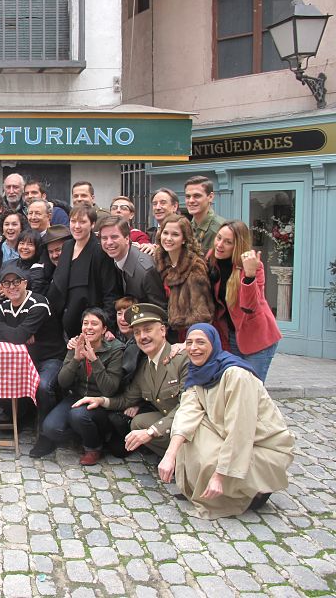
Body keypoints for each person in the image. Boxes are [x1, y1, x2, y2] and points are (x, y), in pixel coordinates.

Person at [158, 323, 294, 519]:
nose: (194, 348)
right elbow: (187, 413)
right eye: (189, 342)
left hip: (260, 444)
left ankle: (250, 493)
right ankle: (201, 490)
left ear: (214, 344)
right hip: (223, 429)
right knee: (186, 435)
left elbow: (241, 429)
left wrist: (219, 475)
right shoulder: (198, 371)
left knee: (211, 459)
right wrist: (170, 455)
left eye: (201, 342)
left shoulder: (236, 375)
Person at [72, 303, 189, 458]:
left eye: (148, 330)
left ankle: (180, 458)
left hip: (191, 424)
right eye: (137, 332)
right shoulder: (145, 366)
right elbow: (127, 399)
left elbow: (187, 408)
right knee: (138, 423)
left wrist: (152, 431)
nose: (143, 336)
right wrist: (101, 400)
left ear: (162, 330)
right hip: (169, 419)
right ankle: (176, 457)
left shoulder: (182, 359)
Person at [0, 262, 66, 458]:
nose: (12, 287)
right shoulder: (4, 307)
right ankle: (19, 417)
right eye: (6, 283)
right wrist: (12, 331)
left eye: (16, 282)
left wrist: (4, 328)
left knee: (42, 386)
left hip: (49, 358)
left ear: (25, 283)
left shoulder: (39, 304)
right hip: (23, 360)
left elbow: (17, 336)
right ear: (1, 288)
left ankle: (46, 436)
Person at [42, 308, 124, 464]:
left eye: (94, 324)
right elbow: (63, 382)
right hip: (78, 396)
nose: (89, 327)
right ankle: (87, 435)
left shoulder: (115, 350)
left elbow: (110, 389)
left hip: (101, 401)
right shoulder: (76, 344)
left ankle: (93, 447)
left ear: (104, 329)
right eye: (85, 323)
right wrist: (76, 359)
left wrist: (94, 360)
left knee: (78, 415)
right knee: (51, 428)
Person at [208, 220, 281, 382]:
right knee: (234, 386)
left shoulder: (254, 266)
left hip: (257, 338)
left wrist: (249, 276)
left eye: (228, 242)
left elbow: (250, 306)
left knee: (251, 389)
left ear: (238, 246)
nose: (220, 245)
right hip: (231, 336)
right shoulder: (212, 260)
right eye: (218, 238)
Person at [48, 205, 119, 340]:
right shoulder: (67, 246)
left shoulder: (99, 251)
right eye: (73, 221)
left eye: (82, 222)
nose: (77, 226)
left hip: (89, 326)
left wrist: (108, 326)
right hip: (62, 323)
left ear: (92, 224)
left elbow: (110, 292)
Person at [155, 214, 214, 339]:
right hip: (163, 329)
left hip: (187, 333)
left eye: (175, 234)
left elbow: (201, 314)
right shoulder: (159, 259)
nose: (168, 238)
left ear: (184, 239)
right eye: (165, 233)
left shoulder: (195, 267)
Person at [98, 216, 167, 309]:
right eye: (104, 238)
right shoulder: (105, 258)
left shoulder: (146, 271)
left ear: (127, 239)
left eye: (114, 237)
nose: (109, 242)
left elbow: (159, 309)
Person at [185, 175, 226, 255]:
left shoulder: (221, 228)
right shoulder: (187, 228)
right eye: (188, 196)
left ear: (210, 197)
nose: (191, 200)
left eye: (197, 196)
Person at [11, 229, 47, 295]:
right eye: (22, 243)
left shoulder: (39, 269)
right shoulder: (7, 264)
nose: (25, 247)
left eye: (30, 244)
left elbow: (38, 295)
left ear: (37, 248)